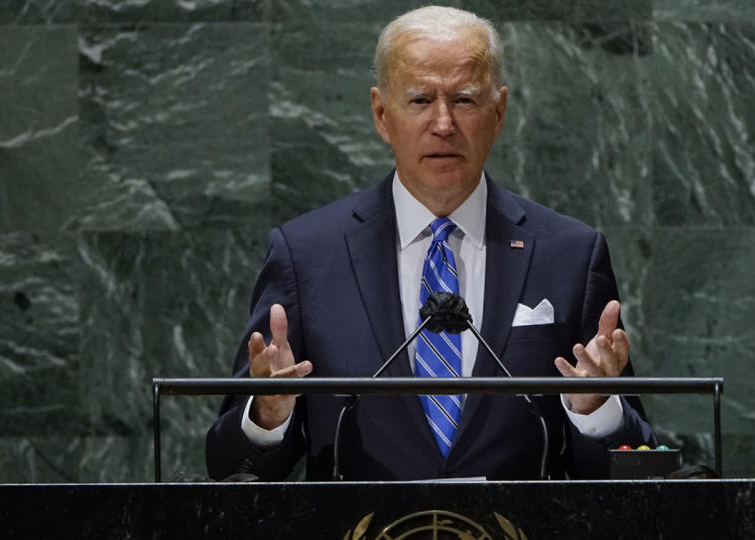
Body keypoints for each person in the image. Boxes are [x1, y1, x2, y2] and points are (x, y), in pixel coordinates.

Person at [206, 5, 657, 481]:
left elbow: (638, 463)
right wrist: (268, 415)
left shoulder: (569, 254)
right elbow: (229, 469)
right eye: (420, 100)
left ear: (499, 112)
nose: (443, 123)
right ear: (382, 115)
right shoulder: (307, 256)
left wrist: (596, 408)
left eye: (464, 100)